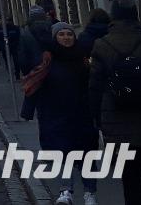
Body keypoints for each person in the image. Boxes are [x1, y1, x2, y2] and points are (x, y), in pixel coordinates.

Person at [88, 0, 141, 205]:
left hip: (116, 122)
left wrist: (97, 120)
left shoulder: (101, 45)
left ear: (114, 16)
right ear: (136, 14)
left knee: (129, 181)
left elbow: (94, 87)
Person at [22, 22, 100, 205]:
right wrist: (28, 110)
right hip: (56, 116)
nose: (66, 37)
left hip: (82, 115)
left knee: (86, 157)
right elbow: (35, 84)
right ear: (55, 37)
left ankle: (90, 193)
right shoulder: (48, 59)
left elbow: (94, 86)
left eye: (69, 34)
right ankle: (66, 191)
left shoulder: (83, 59)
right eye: (62, 34)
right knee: (63, 156)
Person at [19, 6, 55, 74]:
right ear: (43, 15)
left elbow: (22, 57)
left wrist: (26, 72)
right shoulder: (53, 28)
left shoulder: (25, 32)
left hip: (35, 70)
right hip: (53, 68)